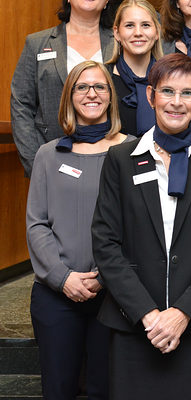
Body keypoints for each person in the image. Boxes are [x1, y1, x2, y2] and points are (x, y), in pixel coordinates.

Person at [91, 53, 191, 400]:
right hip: (135, 323)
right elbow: (106, 243)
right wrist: (148, 314)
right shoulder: (121, 159)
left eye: (187, 93)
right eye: (167, 91)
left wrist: (182, 313)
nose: (176, 102)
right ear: (150, 96)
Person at [26, 61, 131, 400]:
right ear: (69, 97)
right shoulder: (48, 154)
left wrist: (106, 275)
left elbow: (139, 223)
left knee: (108, 389)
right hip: (57, 295)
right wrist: (63, 278)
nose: (91, 94)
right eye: (82, 87)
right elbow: (36, 223)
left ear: (111, 97)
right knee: (58, 389)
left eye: (100, 87)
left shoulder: (133, 151)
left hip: (115, 295)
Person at [11, 0, 115, 176]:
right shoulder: (38, 42)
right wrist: (35, 161)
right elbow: (21, 104)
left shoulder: (120, 43)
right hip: (53, 156)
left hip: (110, 158)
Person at [108, 0, 164, 136]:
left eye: (145, 25)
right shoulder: (102, 79)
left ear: (157, 32)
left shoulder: (170, 78)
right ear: (117, 33)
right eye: (129, 25)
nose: (138, 32)